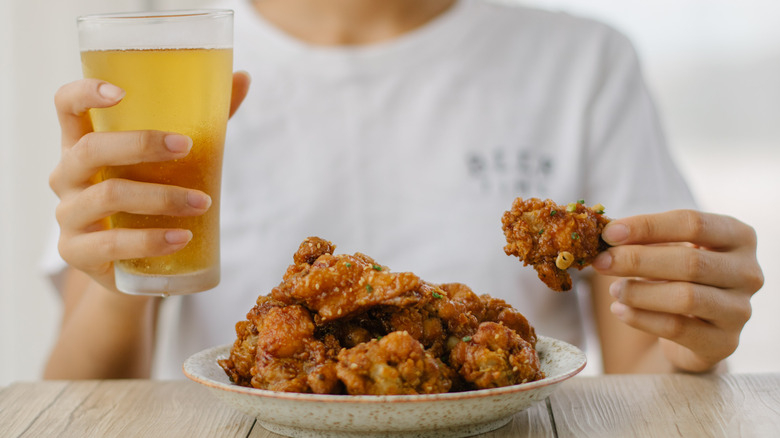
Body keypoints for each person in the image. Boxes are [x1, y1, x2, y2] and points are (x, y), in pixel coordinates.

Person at [44, 0, 763, 379]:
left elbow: (642, 368)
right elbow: (81, 402)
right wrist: (121, 269)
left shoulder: (582, 62)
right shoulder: (174, 67)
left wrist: (692, 337)